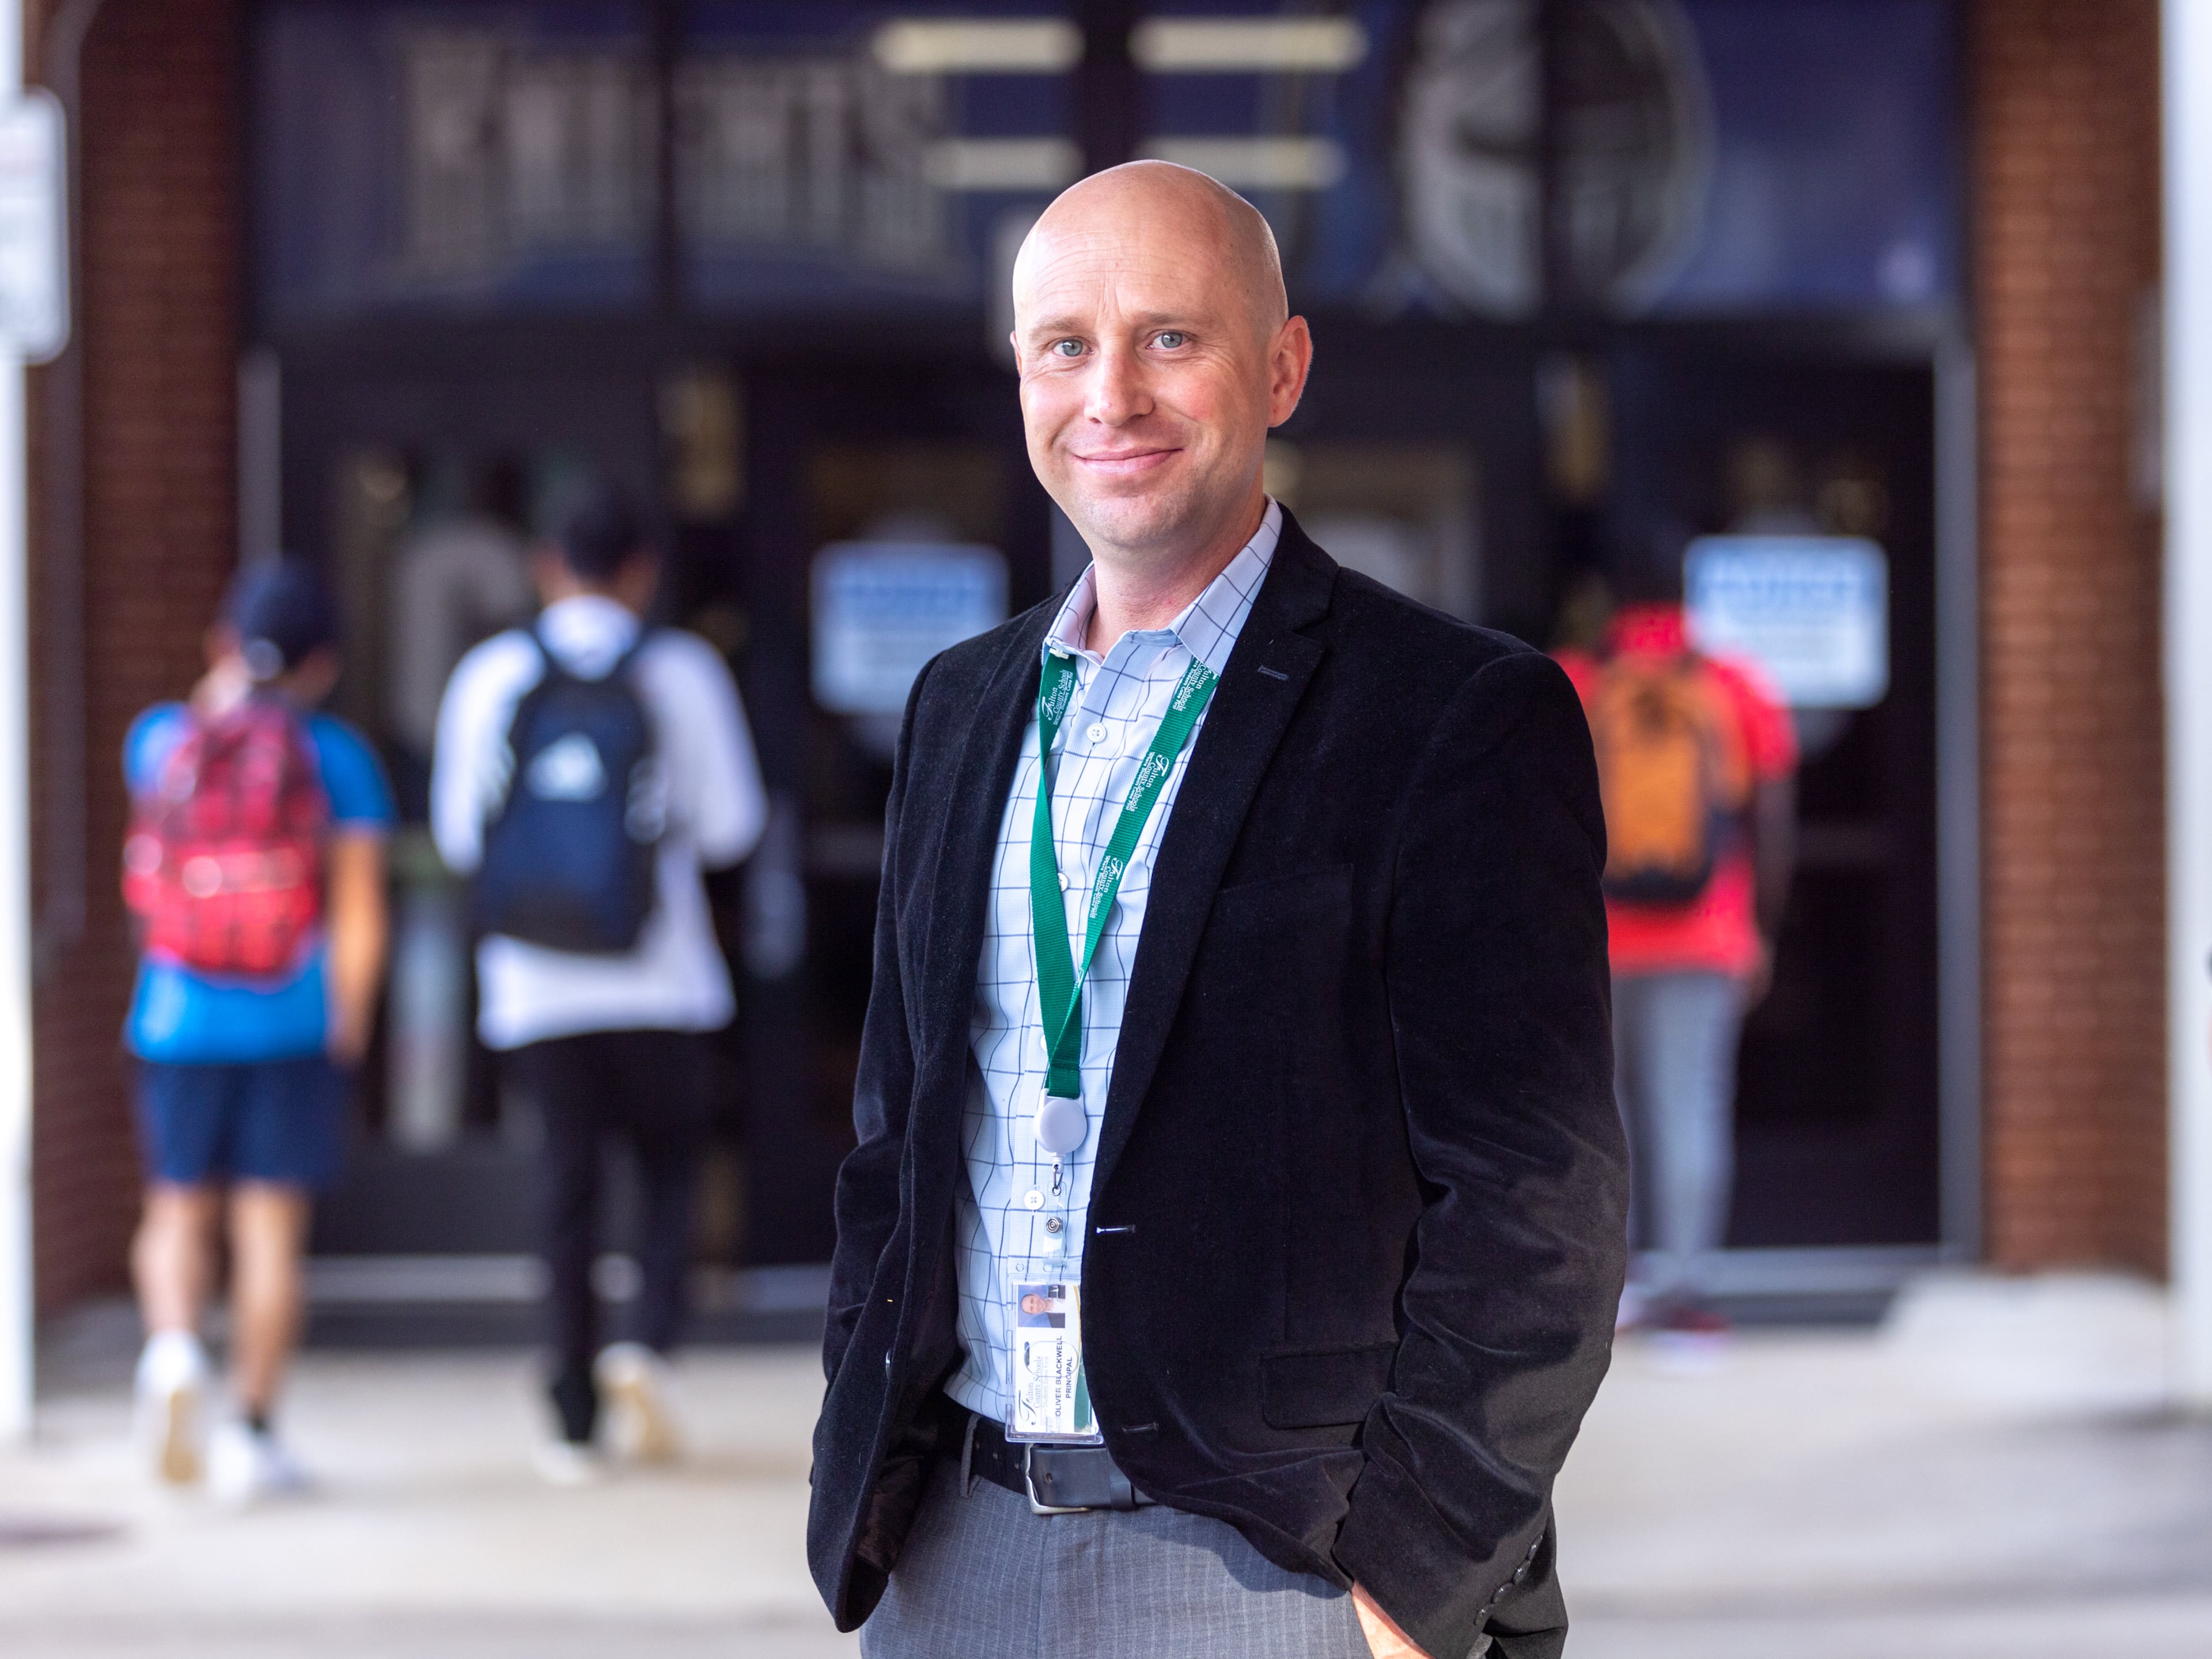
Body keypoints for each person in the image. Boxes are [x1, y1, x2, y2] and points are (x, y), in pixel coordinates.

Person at [808, 162, 1625, 1659]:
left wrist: (1404, 1589)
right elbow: (897, 1139)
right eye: (1063, 345)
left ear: (1283, 366)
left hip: (1272, 1568)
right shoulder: (960, 708)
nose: (1109, 391)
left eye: (1169, 338)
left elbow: (1535, 1205)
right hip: (955, 1547)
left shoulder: (1454, 717)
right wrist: (859, 1475)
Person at [431, 484, 766, 1483]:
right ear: (643, 572)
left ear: (547, 567)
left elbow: (460, 835)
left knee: (564, 1187)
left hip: (534, 987)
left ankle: (572, 1416)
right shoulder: (682, 670)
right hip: (659, 974)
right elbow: (730, 827)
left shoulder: (492, 675)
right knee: (668, 1171)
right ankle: (646, 1346)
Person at [126, 559, 393, 1502]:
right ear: (322, 663)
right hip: (291, 1016)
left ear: (223, 645)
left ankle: (168, 1354)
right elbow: (359, 915)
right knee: (269, 1230)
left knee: (174, 1208)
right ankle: (249, 1431)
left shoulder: (160, 740)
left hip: (175, 1014)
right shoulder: (338, 759)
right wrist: (348, 1022)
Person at [1555, 552, 1798, 1346]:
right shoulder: (1734, 683)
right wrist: (1760, 925)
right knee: (1691, 1104)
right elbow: (1773, 817)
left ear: (1611, 599)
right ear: (1689, 594)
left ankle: (1613, 1288)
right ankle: (1688, 1293)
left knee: (1604, 1113)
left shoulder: (1575, 679)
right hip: (1709, 931)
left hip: (1598, 937)